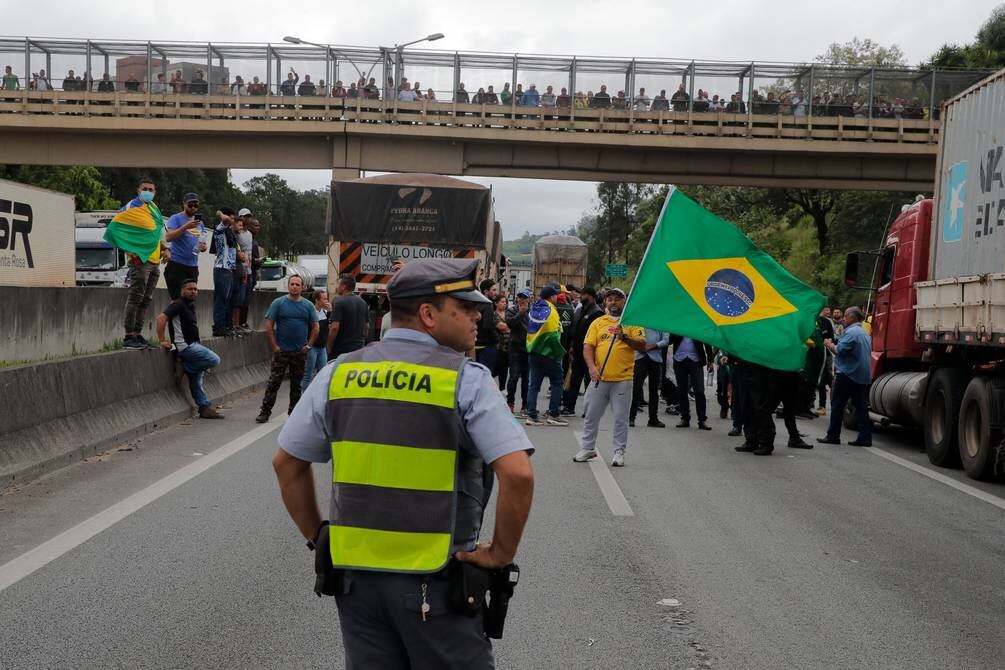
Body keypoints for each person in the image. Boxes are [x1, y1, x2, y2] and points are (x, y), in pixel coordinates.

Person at [271, 258, 534, 669]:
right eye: (464, 308)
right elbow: (517, 473)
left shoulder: (340, 373)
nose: (476, 316)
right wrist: (499, 554)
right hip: (438, 583)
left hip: (357, 584)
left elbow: (287, 462)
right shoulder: (466, 379)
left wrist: (318, 535)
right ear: (429, 315)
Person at [573, 289, 646, 467]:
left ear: (624, 302)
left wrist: (625, 337)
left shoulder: (633, 322)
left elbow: (642, 346)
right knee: (591, 415)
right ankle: (588, 447)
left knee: (621, 418)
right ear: (605, 302)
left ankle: (618, 451)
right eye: (610, 299)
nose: (613, 302)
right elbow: (588, 347)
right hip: (599, 378)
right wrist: (591, 368)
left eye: (617, 299)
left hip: (623, 379)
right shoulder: (598, 322)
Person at [155, 279, 223, 419]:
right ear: (182, 291)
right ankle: (187, 366)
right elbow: (161, 318)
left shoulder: (189, 305)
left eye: (195, 289)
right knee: (214, 360)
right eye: (190, 289)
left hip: (194, 345)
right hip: (186, 347)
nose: (193, 291)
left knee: (197, 380)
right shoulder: (178, 304)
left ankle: (204, 408)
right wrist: (162, 340)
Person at [257, 275, 319, 423]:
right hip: (282, 351)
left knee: (296, 384)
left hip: (300, 351)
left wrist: (309, 345)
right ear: (288, 286)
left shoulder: (308, 306)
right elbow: (269, 325)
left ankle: (294, 413)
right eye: (292, 284)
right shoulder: (278, 303)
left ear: (302, 287)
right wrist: (274, 346)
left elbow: (316, 327)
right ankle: (265, 411)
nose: (294, 287)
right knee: (274, 382)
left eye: (298, 284)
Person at [119, 178, 169, 350]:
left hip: (154, 260)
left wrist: (165, 249)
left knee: (146, 299)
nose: (148, 191)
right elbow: (116, 229)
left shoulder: (154, 208)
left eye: (151, 189)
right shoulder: (131, 207)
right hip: (140, 260)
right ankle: (128, 336)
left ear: (155, 192)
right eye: (144, 188)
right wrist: (129, 250)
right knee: (135, 297)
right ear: (138, 190)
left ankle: (137, 334)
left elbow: (159, 232)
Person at [818, 307, 873, 447]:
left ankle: (833, 436)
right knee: (861, 407)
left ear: (852, 317)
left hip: (847, 374)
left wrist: (829, 344)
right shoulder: (863, 333)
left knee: (837, 405)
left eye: (846, 316)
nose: (844, 318)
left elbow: (840, 351)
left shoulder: (851, 332)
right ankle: (865, 437)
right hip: (861, 375)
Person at [525, 285, 568, 426]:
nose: (557, 297)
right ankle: (554, 414)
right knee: (557, 382)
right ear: (551, 296)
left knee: (534, 385)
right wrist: (558, 353)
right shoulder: (552, 311)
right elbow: (553, 335)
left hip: (533, 351)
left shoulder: (534, 309)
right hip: (548, 353)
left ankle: (531, 415)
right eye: (556, 295)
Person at [563, 287, 603, 416]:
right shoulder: (579, 310)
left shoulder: (597, 313)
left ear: (591, 296)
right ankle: (569, 407)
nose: (581, 296)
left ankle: (589, 409)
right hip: (577, 352)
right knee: (574, 380)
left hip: (590, 354)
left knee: (589, 383)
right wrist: (570, 347)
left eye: (584, 294)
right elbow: (572, 330)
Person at [164, 192, 206, 299]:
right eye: (190, 205)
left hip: (192, 266)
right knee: (177, 299)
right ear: (184, 204)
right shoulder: (176, 218)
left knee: (190, 299)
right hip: (177, 264)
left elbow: (202, 241)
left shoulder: (200, 223)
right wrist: (186, 227)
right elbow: (168, 237)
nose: (193, 208)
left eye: (195, 205)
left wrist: (203, 247)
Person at [733, 360, 779, 456]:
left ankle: (766, 442)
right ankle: (751, 439)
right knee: (746, 405)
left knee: (760, 406)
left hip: (761, 367)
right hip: (745, 366)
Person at [670, 335, 714, 430]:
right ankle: (685, 418)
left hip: (696, 360)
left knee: (699, 390)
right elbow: (670, 339)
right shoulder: (678, 322)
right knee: (682, 390)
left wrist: (710, 359)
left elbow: (706, 340)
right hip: (679, 359)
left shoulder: (698, 322)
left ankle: (702, 420)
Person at [630, 328, 670, 428]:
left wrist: (653, 346)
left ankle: (653, 419)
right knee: (636, 388)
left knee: (654, 390)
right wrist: (640, 346)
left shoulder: (661, 321)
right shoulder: (641, 318)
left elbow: (666, 340)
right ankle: (631, 417)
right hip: (640, 357)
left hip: (656, 358)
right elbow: (633, 335)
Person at [210, 208, 238, 337]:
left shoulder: (229, 233)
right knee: (221, 299)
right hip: (222, 268)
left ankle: (224, 325)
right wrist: (221, 213)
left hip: (229, 269)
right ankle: (218, 326)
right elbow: (225, 219)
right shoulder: (220, 229)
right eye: (231, 218)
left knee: (226, 299)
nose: (232, 221)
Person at [327, 274, 369, 358]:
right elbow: (367, 326)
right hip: (358, 350)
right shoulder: (363, 303)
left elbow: (335, 327)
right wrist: (361, 341)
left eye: (338, 284)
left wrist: (329, 346)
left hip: (341, 351)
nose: (337, 287)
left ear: (344, 287)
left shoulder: (338, 301)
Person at [505, 288, 531, 415]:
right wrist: (520, 313)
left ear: (529, 298)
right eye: (520, 297)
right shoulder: (512, 310)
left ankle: (525, 405)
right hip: (515, 348)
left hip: (528, 349)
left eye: (524, 297)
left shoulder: (532, 312)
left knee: (526, 379)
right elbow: (510, 323)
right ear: (517, 298)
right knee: (514, 376)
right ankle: (510, 402)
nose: (522, 300)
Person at [302, 290, 331, 392]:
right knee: (308, 374)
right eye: (324, 299)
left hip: (322, 348)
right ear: (317, 300)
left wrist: (331, 312)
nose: (326, 301)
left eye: (327, 298)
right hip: (312, 347)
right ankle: (304, 397)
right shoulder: (311, 313)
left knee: (323, 374)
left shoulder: (325, 312)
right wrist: (307, 345)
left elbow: (331, 325)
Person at [475, 279, 500, 374]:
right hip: (487, 346)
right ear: (486, 291)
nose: (495, 293)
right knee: (485, 374)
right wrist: (496, 339)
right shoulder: (487, 304)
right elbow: (488, 325)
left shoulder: (476, 303)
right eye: (493, 290)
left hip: (476, 344)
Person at [493, 294, 511, 390]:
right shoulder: (494, 315)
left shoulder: (508, 313)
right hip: (499, 347)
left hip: (509, 347)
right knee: (497, 369)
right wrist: (511, 327)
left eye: (505, 302)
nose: (504, 304)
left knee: (504, 370)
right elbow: (502, 327)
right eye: (502, 302)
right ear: (496, 303)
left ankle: (502, 389)